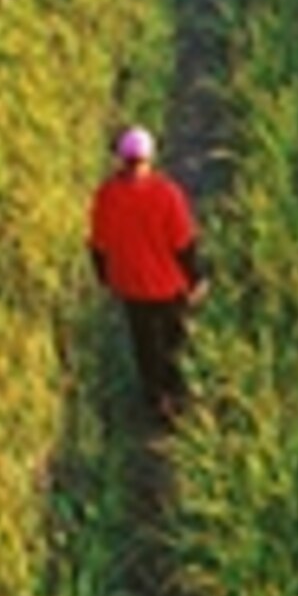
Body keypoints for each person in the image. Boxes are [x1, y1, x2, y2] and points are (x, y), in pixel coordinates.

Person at [89, 124, 203, 423]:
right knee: (174, 343)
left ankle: (155, 400)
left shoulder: (107, 195)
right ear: (151, 157)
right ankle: (178, 400)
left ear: (120, 158)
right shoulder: (167, 194)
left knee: (144, 344)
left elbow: (99, 244)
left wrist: (104, 278)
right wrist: (195, 279)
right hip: (168, 286)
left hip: (131, 285)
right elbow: (183, 243)